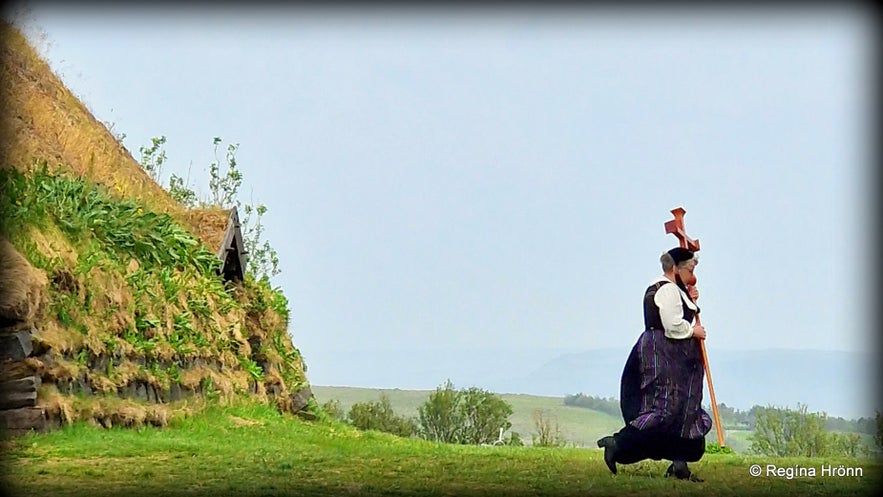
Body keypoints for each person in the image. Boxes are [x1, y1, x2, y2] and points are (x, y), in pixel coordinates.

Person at [596, 247, 712, 481]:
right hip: (665, 355)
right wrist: (693, 330)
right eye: (690, 269)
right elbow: (672, 325)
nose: (693, 275)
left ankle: (679, 463)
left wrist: (690, 298)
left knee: (684, 409)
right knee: (665, 407)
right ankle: (618, 444)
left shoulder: (673, 290)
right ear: (675, 268)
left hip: (676, 357)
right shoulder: (667, 290)